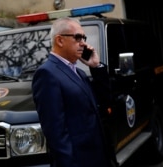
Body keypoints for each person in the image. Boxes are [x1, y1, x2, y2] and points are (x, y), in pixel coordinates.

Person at [32, 17, 112, 167]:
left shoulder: (79, 73)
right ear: (60, 40)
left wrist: (96, 67)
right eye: (78, 37)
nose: (83, 43)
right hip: (79, 161)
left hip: (97, 156)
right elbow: (56, 132)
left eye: (84, 37)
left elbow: (103, 102)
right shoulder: (47, 74)